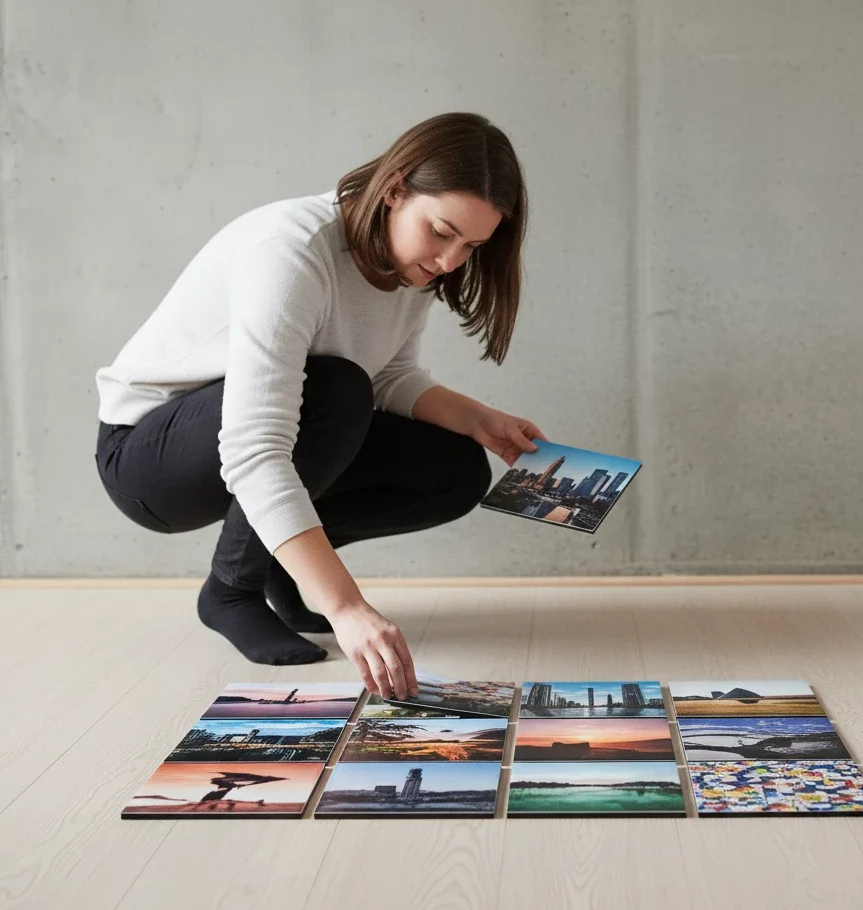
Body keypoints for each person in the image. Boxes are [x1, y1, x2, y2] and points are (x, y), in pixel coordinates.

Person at [94, 112, 546, 701]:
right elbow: (254, 448)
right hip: (148, 460)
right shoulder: (291, 252)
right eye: (441, 231)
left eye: (472, 246)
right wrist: (346, 605)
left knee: (456, 470)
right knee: (334, 391)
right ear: (394, 190)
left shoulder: (411, 263)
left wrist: (479, 420)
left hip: (272, 429)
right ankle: (231, 588)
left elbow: (389, 375)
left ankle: (290, 565)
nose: (450, 261)